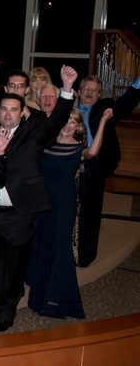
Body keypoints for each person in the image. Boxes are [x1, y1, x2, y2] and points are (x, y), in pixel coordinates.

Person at [0, 66, 77, 333]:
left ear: (22, 113)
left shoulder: (33, 135)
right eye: (3, 109)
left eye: (13, 110)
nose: (7, 113)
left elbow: (55, 122)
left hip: (19, 213)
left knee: (14, 267)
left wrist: (67, 90)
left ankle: (7, 311)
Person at [26, 108, 112, 318]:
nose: (68, 125)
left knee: (60, 247)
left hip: (64, 204)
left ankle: (55, 298)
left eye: (73, 122)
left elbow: (93, 152)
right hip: (43, 204)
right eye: (66, 121)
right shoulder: (47, 144)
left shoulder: (79, 149)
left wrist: (103, 122)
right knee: (44, 243)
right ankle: (39, 294)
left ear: (79, 127)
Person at [74, 75, 140, 267]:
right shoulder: (68, 110)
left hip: (94, 165)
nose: (89, 92)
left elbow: (125, 104)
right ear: (78, 91)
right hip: (68, 164)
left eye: (94, 89)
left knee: (90, 212)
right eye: (86, 88)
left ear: (99, 94)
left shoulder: (104, 107)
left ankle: (85, 255)